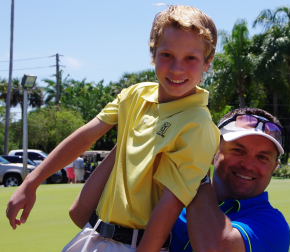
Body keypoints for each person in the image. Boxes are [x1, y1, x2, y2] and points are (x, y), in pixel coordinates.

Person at [6, 5, 220, 252]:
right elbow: (85, 136)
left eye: (190, 58)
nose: (176, 68)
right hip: (93, 236)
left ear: (207, 62)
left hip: (137, 245)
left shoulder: (198, 125)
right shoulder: (135, 94)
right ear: (153, 54)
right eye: (167, 55)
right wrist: (31, 182)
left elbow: (169, 206)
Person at [171, 108, 290, 252]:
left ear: (274, 167)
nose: (248, 165)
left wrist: (196, 173)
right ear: (213, 151)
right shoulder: (170, 196)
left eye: (262, 157)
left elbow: (213, 247)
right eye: (238, 151)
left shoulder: (274, 226)